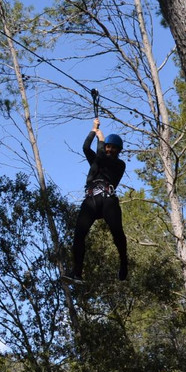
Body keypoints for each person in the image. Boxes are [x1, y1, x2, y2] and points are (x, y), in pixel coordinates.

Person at [71, 118, 128, 281]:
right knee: (78, 235)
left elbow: (103, 157)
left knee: (118, 234)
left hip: (108, 200)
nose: (109, 150)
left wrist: (101, 139)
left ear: (118, 151)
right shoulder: (97, 161)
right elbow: (85, 147)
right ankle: (77, 272)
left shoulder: (119, 164)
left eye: (113, 148)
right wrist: (93, 130)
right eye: (108, 147)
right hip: (91, 200)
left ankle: (124, 263)